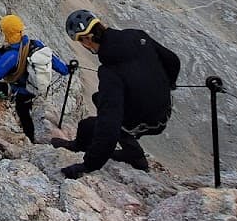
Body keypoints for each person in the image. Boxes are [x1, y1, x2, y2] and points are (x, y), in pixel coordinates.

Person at [54, 9, 180, 178]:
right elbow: (173, 60)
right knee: (98, 99)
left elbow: (109, 127)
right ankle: (131, 153)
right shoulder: (136, 35)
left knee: (90, 124)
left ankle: (132, 155)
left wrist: (88, 165)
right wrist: (167, 85)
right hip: (164, 109)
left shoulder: (110, 72)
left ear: (86, 40)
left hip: (147, 122)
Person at [0, 14, 63, 142]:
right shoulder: (35, 44)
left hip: (23, 92)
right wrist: (66, 69)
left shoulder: (11, 56)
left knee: (23, 114)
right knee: (30, 113)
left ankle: (30, 139)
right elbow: (53, 60)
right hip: (37, 88)